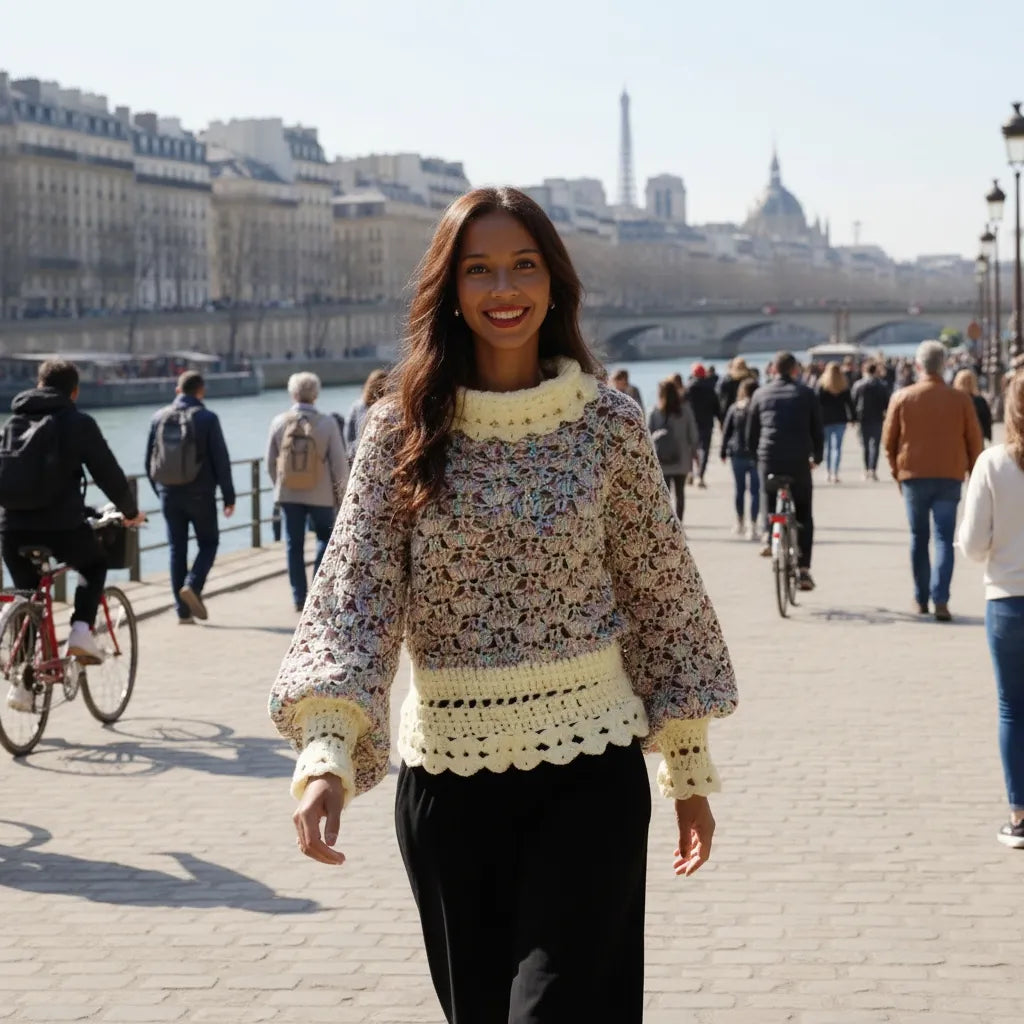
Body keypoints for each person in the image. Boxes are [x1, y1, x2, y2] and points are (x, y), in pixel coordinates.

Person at [269, 186, 737, 1024]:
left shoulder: (608, 426)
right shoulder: (399, 431)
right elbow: (354, 598)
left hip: (590, 779)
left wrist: (687, 766)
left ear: (555, 282)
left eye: (523, 265)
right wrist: (326, 755)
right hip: (450, 788)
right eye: (479, 269)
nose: (504, 288)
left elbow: (662, 594)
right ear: (449, 290)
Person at [0, 359, 144, 698]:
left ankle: (22, 686)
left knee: (27, 594)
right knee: (94, 564)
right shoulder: (78, 423)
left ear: (38, 385)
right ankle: (81, 631)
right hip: (61, 527)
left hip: (12, 529)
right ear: (74, 392)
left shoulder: (13, 423)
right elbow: (107, 472)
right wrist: (130, 511)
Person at [957, 372, 1024, 849]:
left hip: (1008, 599)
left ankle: (1020, 815)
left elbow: (973, 543)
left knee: (1013, 709)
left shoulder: (994, 463)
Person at [882, 340, 983, 621]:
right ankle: (941, 600)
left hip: (913, 475)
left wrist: (897, 472)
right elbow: (974, 441)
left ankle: (920, 598)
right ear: (944, 365)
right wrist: (973, 474)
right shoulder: (960, 399)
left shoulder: (902, 397)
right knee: (944, 539)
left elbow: (888, 442)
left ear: (918, 366)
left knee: (918, 537)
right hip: (950, 475)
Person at [145, 371, 235, 624]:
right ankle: (193, 585)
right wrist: (228, 497)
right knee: (209, 543)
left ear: (178, 390)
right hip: (200, 495)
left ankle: (182, 613)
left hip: (168, 493)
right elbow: (221, 460)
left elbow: (149, 461)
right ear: (201, 391)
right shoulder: (207, 418)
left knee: (177, 550)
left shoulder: (158, 417)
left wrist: (161, 491)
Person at [266, 372, 350, 612]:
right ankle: (316, 591)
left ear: (293, 394)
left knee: (294, 545)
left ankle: (298, 597)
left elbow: (270, 461)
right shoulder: (327, 423)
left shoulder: (279, 422)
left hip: (289, 494)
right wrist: (342, 495)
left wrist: (280, 485)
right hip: (321, 495)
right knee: (325, 539)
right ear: (316, 395)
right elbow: (339, 464)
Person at [746, 350, 823, 591]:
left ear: (772, 370)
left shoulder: (760, 393)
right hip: (798, 460)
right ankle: (804, 570)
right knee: (804, 513)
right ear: (795, 370)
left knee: (768, 496)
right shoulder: (806, 393)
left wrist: (756, 458)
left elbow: (751, 433)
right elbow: (817, 429)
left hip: (769, 458)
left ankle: (769, 534)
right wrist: (817, 457)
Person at [648, 377, 699, 522]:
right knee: (680, 493)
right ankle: (679, 524)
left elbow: (647, 436)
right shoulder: (685, 410)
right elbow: (693, 435)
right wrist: (694, 453)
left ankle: (667, 524)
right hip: (682, 459)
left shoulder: (655, 411)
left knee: (665, 495)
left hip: (661, 460)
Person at [720, 377, 760, 540]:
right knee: (755, 491)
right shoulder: (759, 408)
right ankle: (753, 524)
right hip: (756, 454)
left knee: (740, 489)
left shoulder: (735, 408)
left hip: (737, 453)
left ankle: (740, 521)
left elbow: (727, 431)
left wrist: (723, 451)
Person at [815, 362, 856, 484]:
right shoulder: (843, 385)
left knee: (827, 447)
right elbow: (850, 403)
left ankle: (828, 472)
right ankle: (835, 473)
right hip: (840, 419)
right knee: (837, 447)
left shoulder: (822, 385)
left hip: (825, 419)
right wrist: (853, 418)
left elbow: (816, 403)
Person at [851, 360, 891, 481]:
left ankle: (866, 469)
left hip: (863, 417)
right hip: (877, 417)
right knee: (875, 445)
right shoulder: (882, 385)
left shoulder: (858, 385)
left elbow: (853, 401)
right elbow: (887, 402)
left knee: (865, 445)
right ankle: (873, 469)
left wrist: (853, 418)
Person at [687, 363, 721, 489]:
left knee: (691, 448)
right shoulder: (710, 388)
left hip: (692, 423)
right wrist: (721, 421)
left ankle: (690, 472)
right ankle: (700, 475)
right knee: (704, 449)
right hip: (707, 423)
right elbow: (716, 407)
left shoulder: (689, 388)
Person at [345, 368, 388, 458]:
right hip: (382, 455)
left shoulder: (357, 406)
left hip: (359, 453)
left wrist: (351, 454)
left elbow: (349, 434)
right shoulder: (387, 408)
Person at [953, 368, 993, 444]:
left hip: (959, 440)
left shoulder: (954, 401)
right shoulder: (980, 400)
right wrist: (988, 435)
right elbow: (987, 420)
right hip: (977, 438)